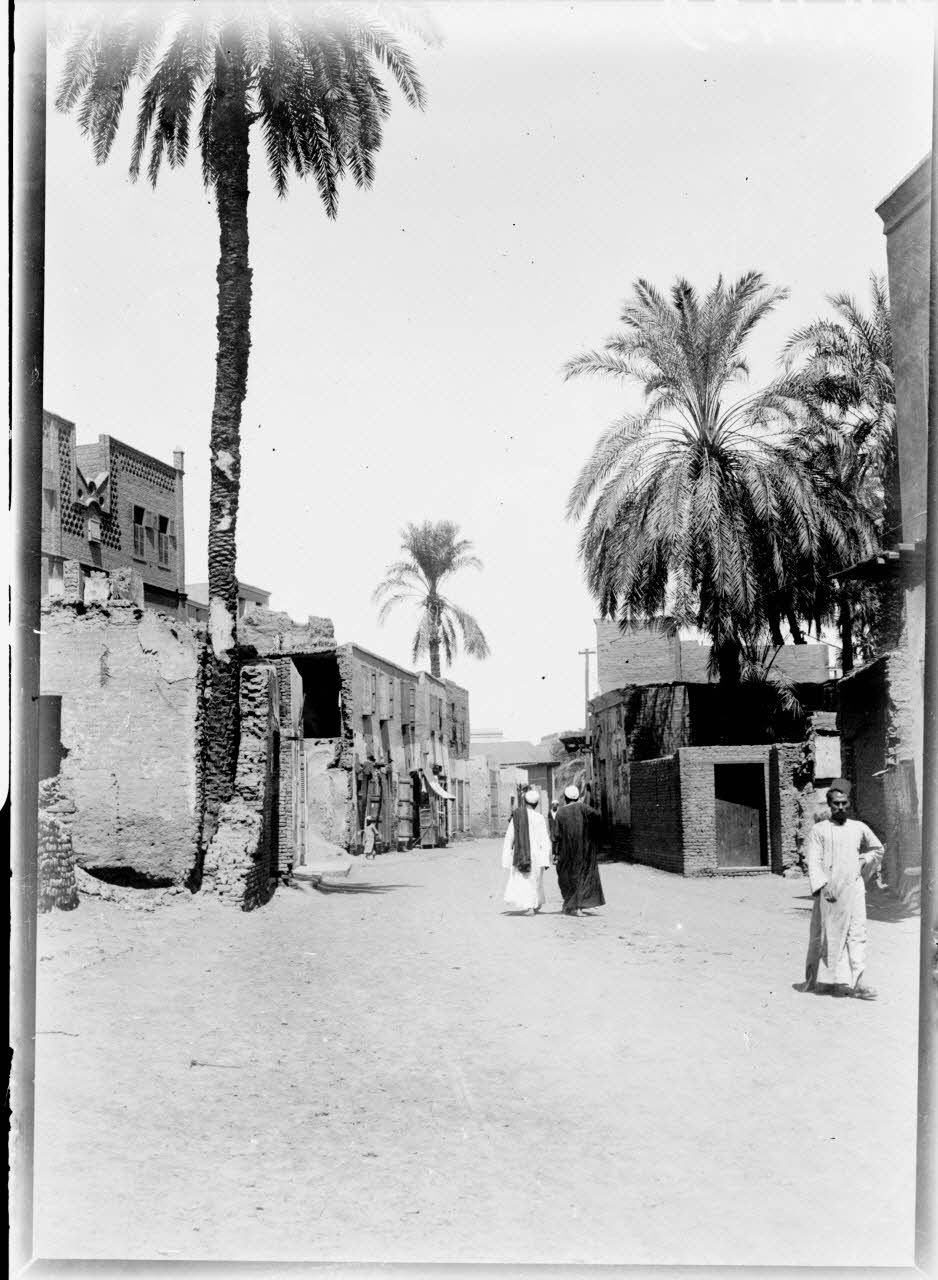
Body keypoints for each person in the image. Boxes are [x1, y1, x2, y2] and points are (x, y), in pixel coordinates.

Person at [804, 779, 883, 999]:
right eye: (836, 803)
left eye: (844, 803)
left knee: (857, 933)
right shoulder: (819, 830)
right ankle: (827, 980)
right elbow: (814, 860)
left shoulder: (859, 827)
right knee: (828, 934)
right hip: (829, 890)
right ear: (829, 804)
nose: (840, 807)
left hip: (854, 888)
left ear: (849, 803)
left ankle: (857, 982)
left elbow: (878, 849)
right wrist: (823, 886)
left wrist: (864, 859)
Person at [553, 781, 605, 916]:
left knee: (567, 877)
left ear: (566, 798)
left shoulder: (560, 812)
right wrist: (591, 834)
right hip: (584, 850)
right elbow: (597, 816)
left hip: (566, 851)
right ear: (576, 797)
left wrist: (555, 853)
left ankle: (572, 905)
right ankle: (576, 906)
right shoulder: (584, 808)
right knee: (582, 876)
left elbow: (556, 835)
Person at [501, 786, 551, 914]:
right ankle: (535, 903)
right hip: (537, 854)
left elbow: (509, 837)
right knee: (536, 879)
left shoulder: (517, 816)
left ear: (524, 801)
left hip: (521, 852)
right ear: (536, 803)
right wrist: (545, 858)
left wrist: (507, 857)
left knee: (525, 879)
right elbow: (545, 840)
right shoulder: (540, 818)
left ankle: (530, 906)